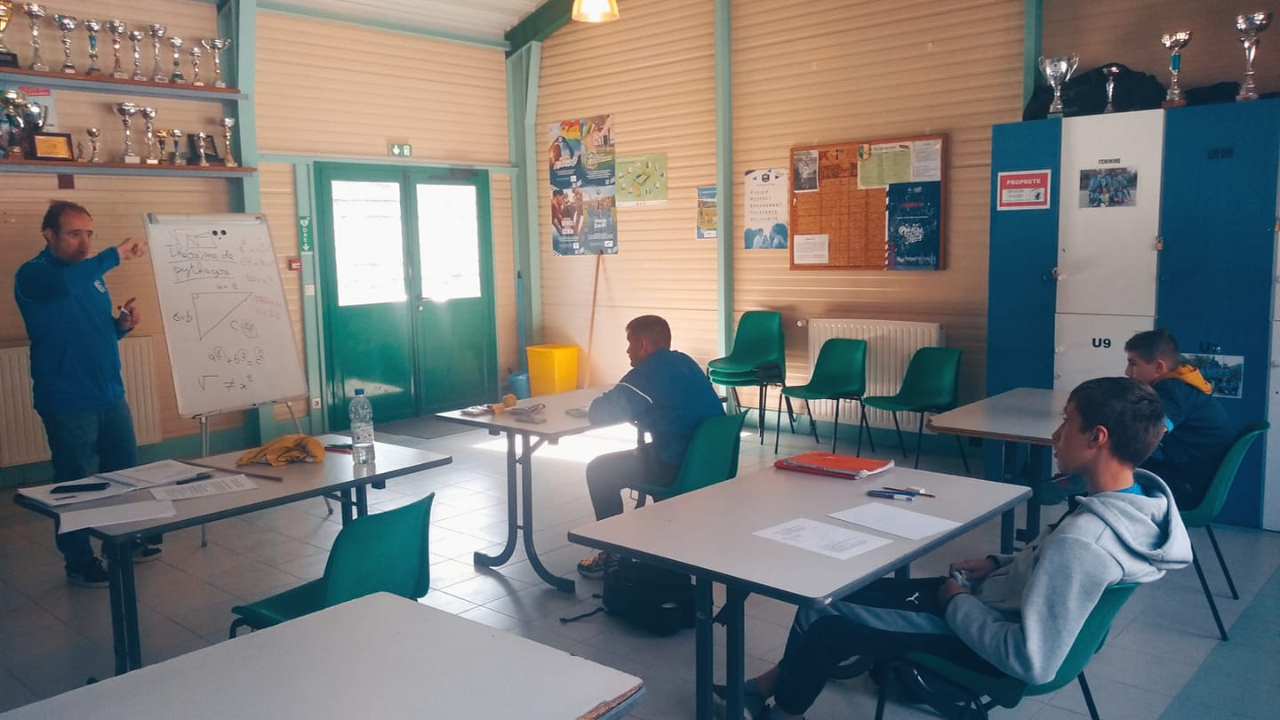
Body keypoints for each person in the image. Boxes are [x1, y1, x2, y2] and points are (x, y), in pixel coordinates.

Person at [719, 377, 1191, 720]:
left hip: (982, 638)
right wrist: (996, 563)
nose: (1055, 436)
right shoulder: (1135, 506)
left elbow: (1031, 660)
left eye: (1067, 423)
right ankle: (766, 688)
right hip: (990, 604)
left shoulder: (1087, 541)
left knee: (821, 611)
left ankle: (780, 709)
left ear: (1097, 438)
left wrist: (958, 601)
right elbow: (1048, 568)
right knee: (840, 595)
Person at [14, 201, 156, 588]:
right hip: (67, 400)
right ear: (49, 235)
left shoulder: (92, 277)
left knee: (125, 474)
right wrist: (116, 255)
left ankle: (121, 542)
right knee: (75, 484)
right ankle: (78, 560)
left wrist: (121, 326)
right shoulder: (34, 275)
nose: (84, 243)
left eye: (89, 234)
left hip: (110, 394)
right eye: (74, 233)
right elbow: (63, 287)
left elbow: (95, 329)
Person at [576, 315, 724, 578]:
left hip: (677, 465)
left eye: (630, 343)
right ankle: (659, 541)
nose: (627, 351)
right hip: (708, 464)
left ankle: (612, 551)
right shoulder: (685, 362)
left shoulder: (647, 373)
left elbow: (602, 413)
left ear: (643, 343)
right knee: (643, 456)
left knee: (599, 470)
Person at [1124, 329, 1234, 510]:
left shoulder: (1172, 390)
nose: (1128, 372)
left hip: (1189, 486)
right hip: (1195, 476)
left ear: (1159, 367)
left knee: (1105, 471)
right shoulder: (1182, 383)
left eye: (1133, 364)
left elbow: (1153, 430)